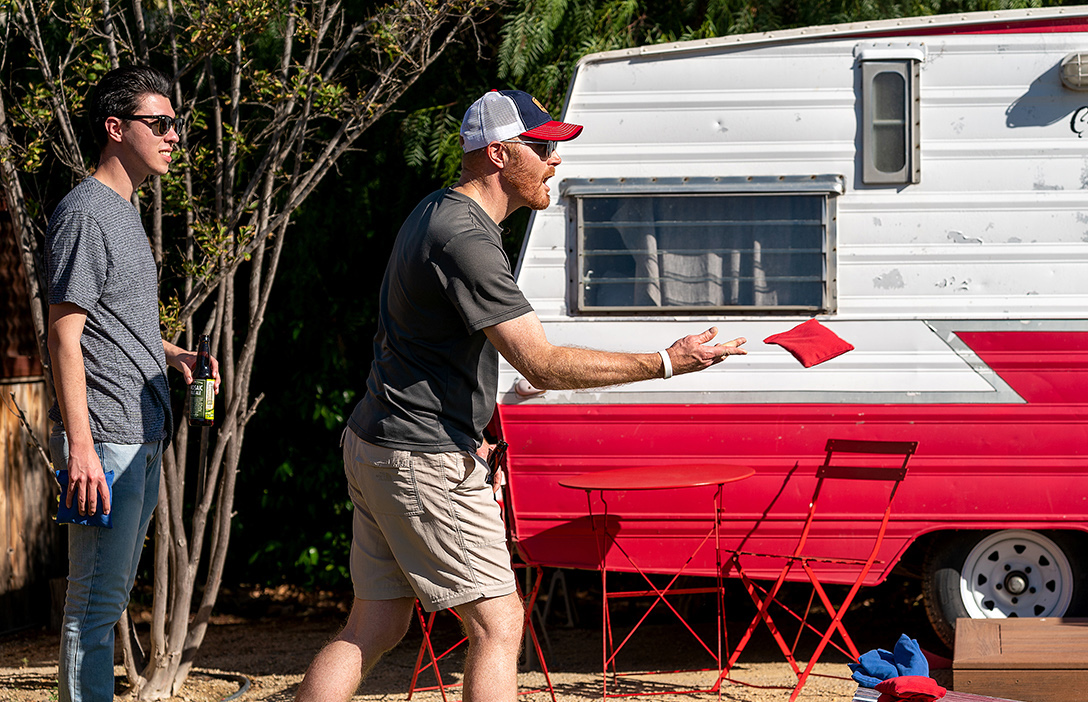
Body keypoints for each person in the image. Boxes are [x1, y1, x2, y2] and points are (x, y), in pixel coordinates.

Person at [294, 89, 746, 702]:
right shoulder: (466, 238)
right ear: (500, 154)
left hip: (380, 443)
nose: (556, 160)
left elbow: (424, 349)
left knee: (374, 624)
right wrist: (668, 361)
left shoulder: (436, 212)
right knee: (498, 624)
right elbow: (542, 363)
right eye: (544, 146)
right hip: (421, 458)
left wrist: (475, 432)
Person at [45, 65, 220, 702]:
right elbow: (64, 335)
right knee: (92, 609)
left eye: (176, 124)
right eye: (160, 124)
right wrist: (83, 451)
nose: (174, 136)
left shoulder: (122, 212)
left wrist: (174, 356)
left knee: (110, 599)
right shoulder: (86, 214)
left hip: (139, 436)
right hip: (105, 445)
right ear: (116, 129)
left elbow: (114, 326)